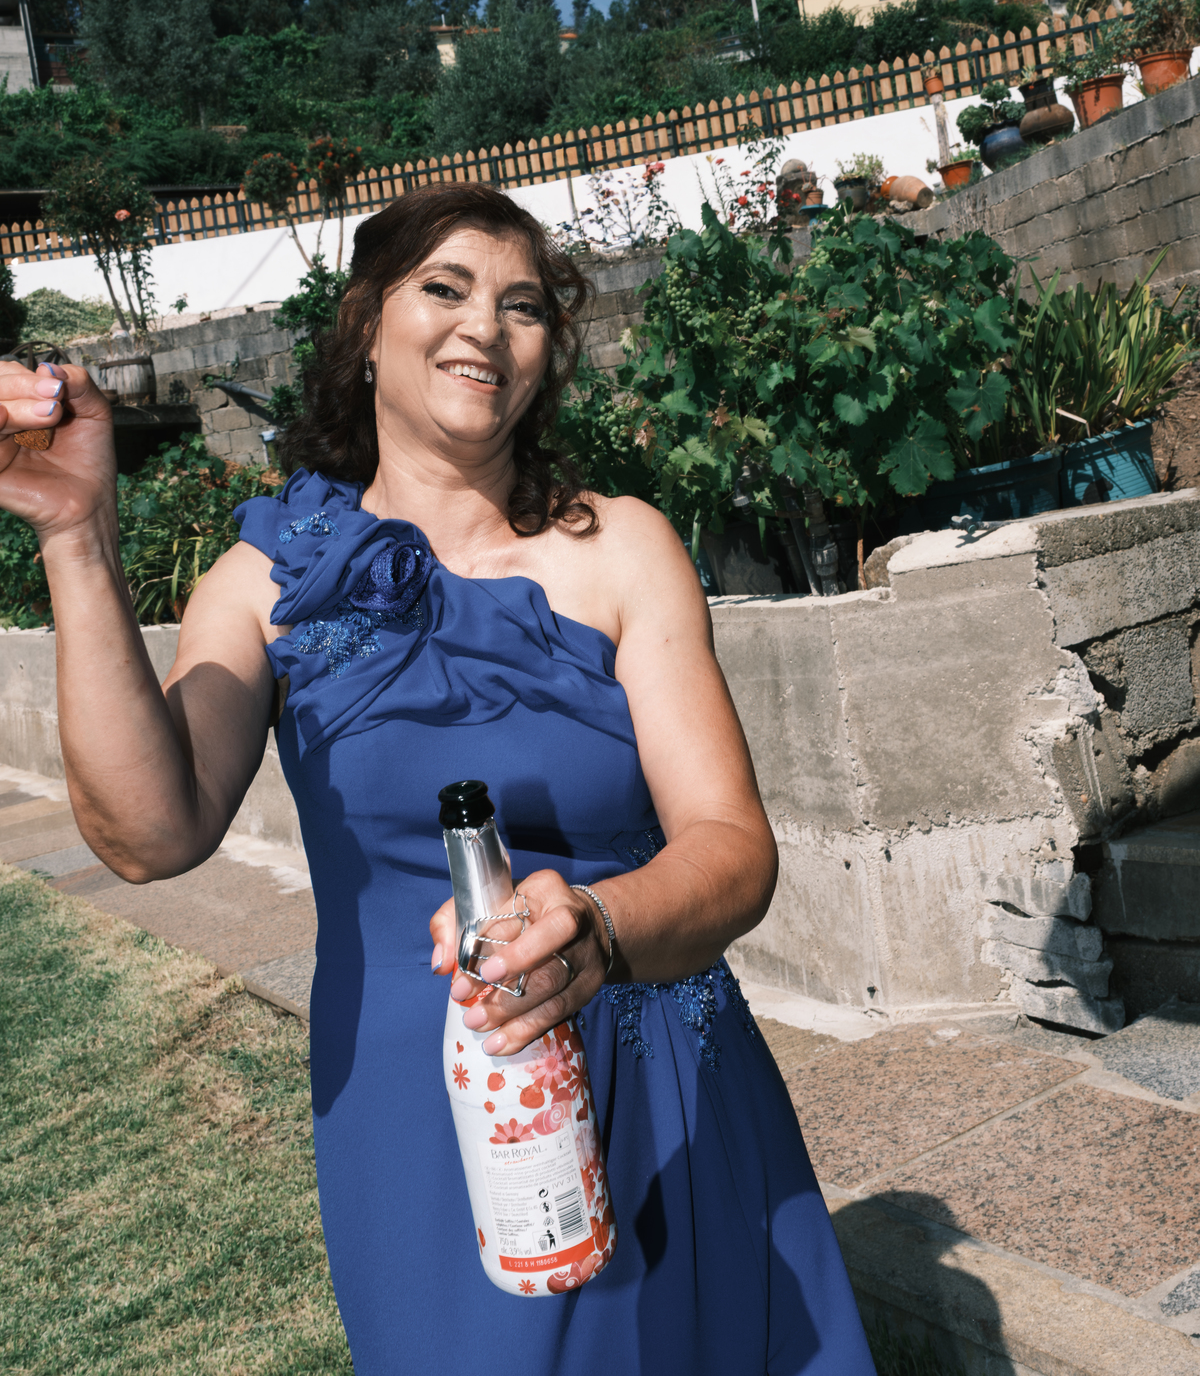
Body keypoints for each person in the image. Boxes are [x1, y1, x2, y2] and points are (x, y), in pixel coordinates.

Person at [0, 185, 875, 1375]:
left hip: (660, 1073)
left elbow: (732, 844)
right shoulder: (262, 585)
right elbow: (148, 834)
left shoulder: (623, 546)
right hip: (417, 1107)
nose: (485, 326)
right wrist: (75, 536)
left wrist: (600, 923)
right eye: (446, 288)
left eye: (524, 305)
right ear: (368, 324)